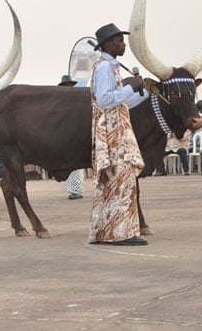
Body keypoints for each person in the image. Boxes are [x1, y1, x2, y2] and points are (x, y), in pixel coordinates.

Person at [88, 23, 149, 246]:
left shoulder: (111, 67)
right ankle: (121, 233)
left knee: (117, 183)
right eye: (119, 41)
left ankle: (108, 231)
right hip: (112, 136)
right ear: (107, 44)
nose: (123, 45)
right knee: (121, 183)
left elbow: (120, 104)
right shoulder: (104, 67)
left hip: (118, 130)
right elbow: (104, 100)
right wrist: (130, 86)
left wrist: (142, 93)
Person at [57, 74, 84, 199]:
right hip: (67, 135)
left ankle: (76, 190)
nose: (68, 87)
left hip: (77, 134)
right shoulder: (62, 100)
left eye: (69, 85)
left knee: (76, 164)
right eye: (66, 85)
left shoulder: (76, 98)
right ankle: (73, 189)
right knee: (70, 163)